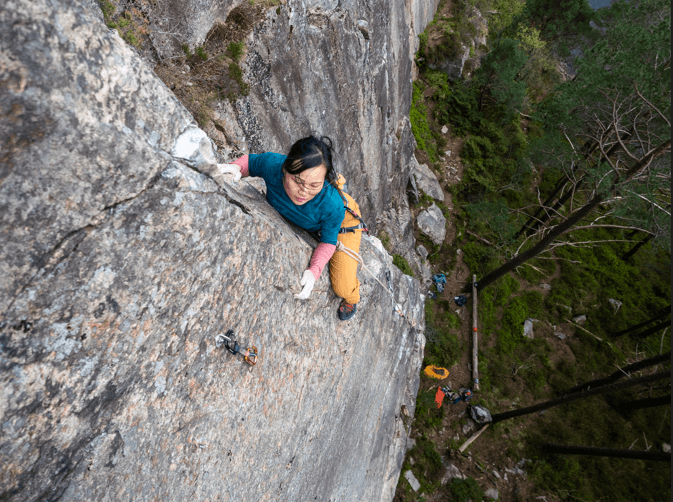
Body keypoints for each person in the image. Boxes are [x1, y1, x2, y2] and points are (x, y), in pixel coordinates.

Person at [217, 136, 366, 321]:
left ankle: (353, 297)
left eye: (314, 185)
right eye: (298, 181)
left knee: (342, 287)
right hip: (318, 215)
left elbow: (328, 241)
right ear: (285, 169)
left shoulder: (332, 205)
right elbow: (251, 162)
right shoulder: (274, 166)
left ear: (324, 181)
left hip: (344, 221)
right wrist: (236, 167)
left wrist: (314, 271)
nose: (304, 191)